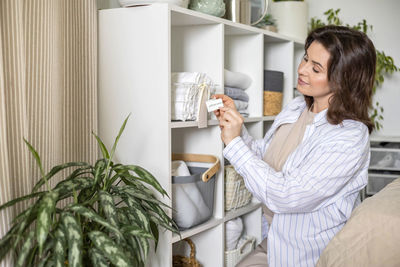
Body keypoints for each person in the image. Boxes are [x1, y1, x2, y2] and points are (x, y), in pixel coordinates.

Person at [213, 25, 376, 267]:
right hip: (274, 239)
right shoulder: (297, 107)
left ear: (344, 79)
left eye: (316, 68)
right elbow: (265, 156)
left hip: (310, 255)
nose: (302, 70)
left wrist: (234, 143)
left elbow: (286, 195)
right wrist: (235, 125)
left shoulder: (349, 137)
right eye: (305, 58)